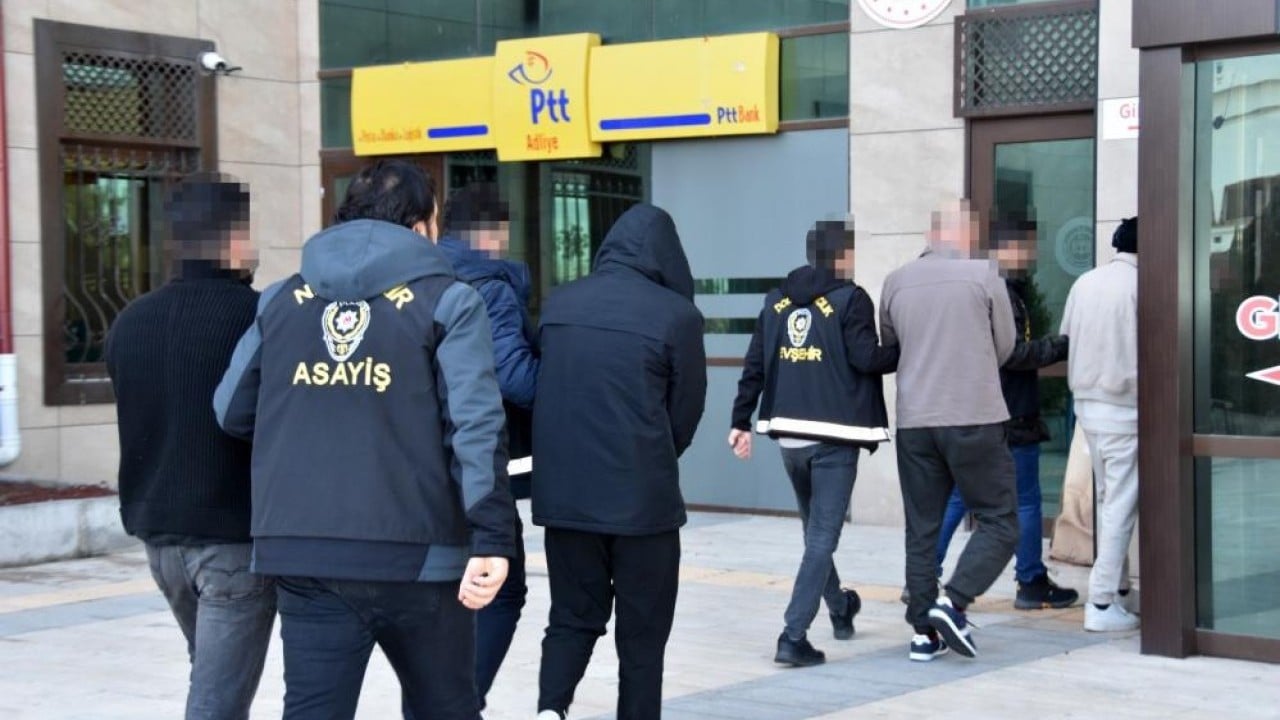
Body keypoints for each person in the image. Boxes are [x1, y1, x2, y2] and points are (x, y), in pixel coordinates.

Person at [214, 159, 517, 719]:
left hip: (304, 548)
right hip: (420, 554)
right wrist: (494, 539)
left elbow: (231, 409)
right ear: (424, 225)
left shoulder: (280, 299)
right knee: (445, 708)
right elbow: (475, 428)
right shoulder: (448, 301)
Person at [105, 173, 275, 720]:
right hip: (231, 538)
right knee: (217, 703)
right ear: (233, 239)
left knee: (211, 681)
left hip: (159, 539)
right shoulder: (255, 318)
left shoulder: (129, 322)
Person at [532, 203, 706, 720]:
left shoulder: (559, 306)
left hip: (565, 501)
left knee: (569, 617)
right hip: (642, 506)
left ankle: (549, 711)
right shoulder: (676, 316)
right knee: (642, 638)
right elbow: (686, 411)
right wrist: (652, 450)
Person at [728, 220, 896, 667]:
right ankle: (792, 635)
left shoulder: (777, 301)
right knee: (822, 537)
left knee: (814, 535)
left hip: (791, 440)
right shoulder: (850, 298)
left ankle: (840, 608)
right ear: (843, 256)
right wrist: (901, 346)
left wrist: (740, 419)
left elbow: (756, 362)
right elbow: (866, 358)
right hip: (834, 440)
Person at [879, 198, 1019, 661]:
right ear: (964, 233)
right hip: (974, 414)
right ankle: (952, 603)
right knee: (1000, 521)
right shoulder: (984, 275)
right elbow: (1005, 346)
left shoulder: (895, 282)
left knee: (921, 527)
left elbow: (891, 346)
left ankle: (923, 633)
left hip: (916, 421)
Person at [933, 219, 1078, 610]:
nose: (1031, 257)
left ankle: (923, 575)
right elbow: (1011, 352)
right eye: (1025, 248)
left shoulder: (973, 288)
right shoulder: (1000, 291)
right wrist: (1058, 346)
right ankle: (1030, 581)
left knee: (960, 496)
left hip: (975, 412)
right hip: (1010, 415)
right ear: (1006, 250)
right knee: (1026, 501)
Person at [437, 182, 537, 703]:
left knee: (451, 588)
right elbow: (514, 377)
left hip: (424, 458)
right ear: (492, 232)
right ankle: (460, 703)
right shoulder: (489, 285)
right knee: (504, 590)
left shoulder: (425, 277)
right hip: (478, 459)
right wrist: (563, 384)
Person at [1060, 217, 1140, 633]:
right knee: (1120, 505)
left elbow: (1066, 338)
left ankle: (1120, 591)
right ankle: (1103, 600)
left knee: (1110, 497)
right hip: (1127, 408)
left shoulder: (1085, 283)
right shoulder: (1142, 285)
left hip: (1088, 405)